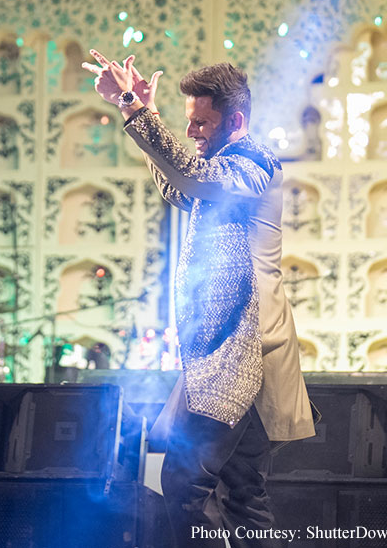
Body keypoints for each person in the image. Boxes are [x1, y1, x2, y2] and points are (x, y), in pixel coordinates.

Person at [82, 54, 315, 547]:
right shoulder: (222, 168)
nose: (191, 133)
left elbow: (193, 178)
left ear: (235, 120)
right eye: (188, 123)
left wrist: (137, 112)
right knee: (244, 496)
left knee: (183, 480)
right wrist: (138, 113)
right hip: (229, 351)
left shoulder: (253, 163)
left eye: (201, 123)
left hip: (241, 350)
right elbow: (178, 185)